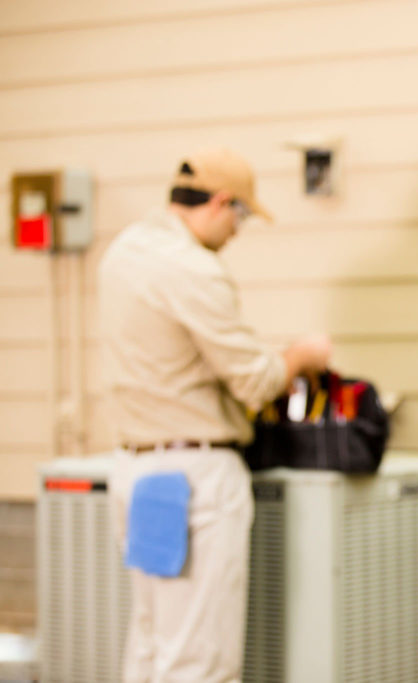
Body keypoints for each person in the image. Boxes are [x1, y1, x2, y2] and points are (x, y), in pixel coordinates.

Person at [98, 148, 331, 682]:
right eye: (242, 215)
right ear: (222, 203)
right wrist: (300, 356)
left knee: (153, 643)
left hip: (137, 471)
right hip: (194, 481)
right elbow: (255, 381)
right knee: (200, 659)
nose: (238, 231)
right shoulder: (193, 269)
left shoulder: (125, 252)